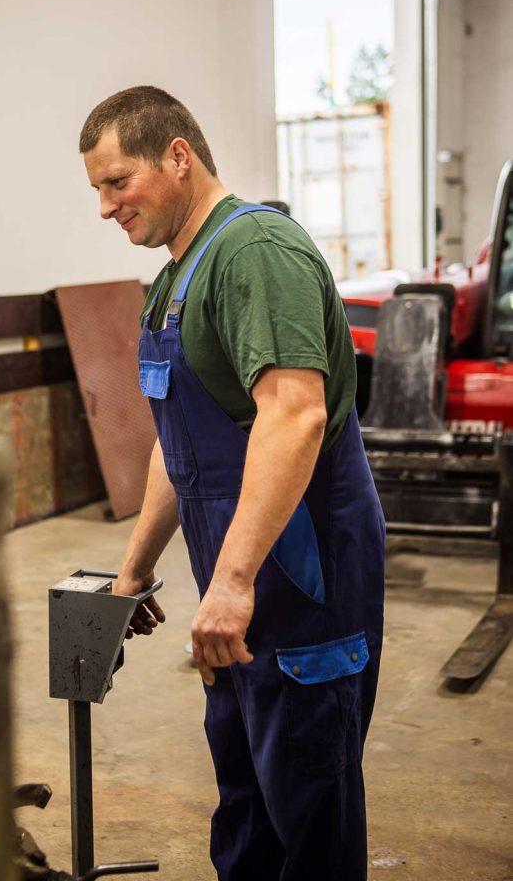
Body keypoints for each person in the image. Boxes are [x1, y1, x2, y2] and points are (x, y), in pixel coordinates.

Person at [79, 85, 385, 881]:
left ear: (177, 156)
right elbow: (176, 445)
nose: (106, 207)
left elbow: (295, 417)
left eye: (117, 182)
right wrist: (134, 569)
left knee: (309, 797)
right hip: (241, 584)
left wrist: (234, 581)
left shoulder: (255, 254)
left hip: (300, 574)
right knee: (247, 791)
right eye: (98, 190)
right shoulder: (175, 276)